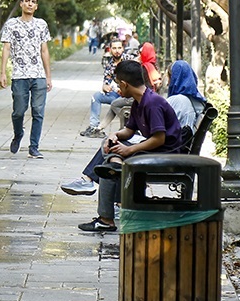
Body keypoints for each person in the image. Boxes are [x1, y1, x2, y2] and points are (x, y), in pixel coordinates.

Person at [69, 61, 205, 233]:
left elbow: (159, 139)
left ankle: (108, 212)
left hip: (165, 154)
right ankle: (114, 180)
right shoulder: (138, 102)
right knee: (112, 157)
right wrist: (115, 136)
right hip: (154, 150)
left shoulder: (152, 103)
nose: (118, 89)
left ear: (125, 84)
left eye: (118, 84)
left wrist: (129, 150)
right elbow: (129, 130)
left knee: (109, 165)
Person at [0, 0, 53, 158]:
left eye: (33, 2)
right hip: (19, 75)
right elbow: (6, 48)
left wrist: (48, 76)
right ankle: (18, 134)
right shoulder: (11, 24)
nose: (30, 4)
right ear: (21, 3)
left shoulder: (41, 24)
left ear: (36, 6)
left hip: (38, 75)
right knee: (18, 111)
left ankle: (34, 146)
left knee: (38, 111)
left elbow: (44, 51)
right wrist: (3, 73)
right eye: (27, 1)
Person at [80, 38, 131, 138]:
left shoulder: (129, 61)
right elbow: (106, 81)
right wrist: (105, 86)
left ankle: (100, 129)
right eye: (114, 48)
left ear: (123, 49)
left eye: (119, 48)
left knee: (115, 104)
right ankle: (93, 127)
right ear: (110, 49)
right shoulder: (109, 65)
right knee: (96, 97)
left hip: (130, 96)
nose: (117, 51)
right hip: (116, 94)